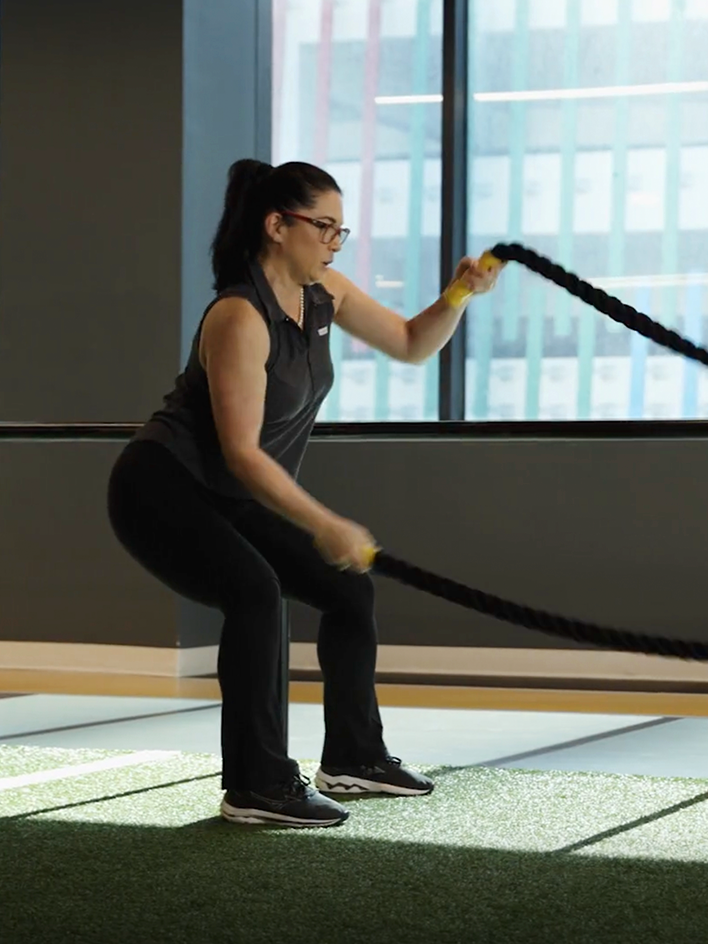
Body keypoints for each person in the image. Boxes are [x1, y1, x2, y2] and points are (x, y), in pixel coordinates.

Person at [107, 159, 500, 829]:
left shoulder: (324, 293)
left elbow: (411, 343)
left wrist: (458, 295)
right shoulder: (239, 316)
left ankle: (354, 757)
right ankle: (255, 785)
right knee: (255, 593)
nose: (334, 242)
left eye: (340, 230)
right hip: (161, 489)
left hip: (229, 494)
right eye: (324, 226)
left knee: (347, 590)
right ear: (276, 225)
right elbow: (242, 452)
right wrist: (324, 522)